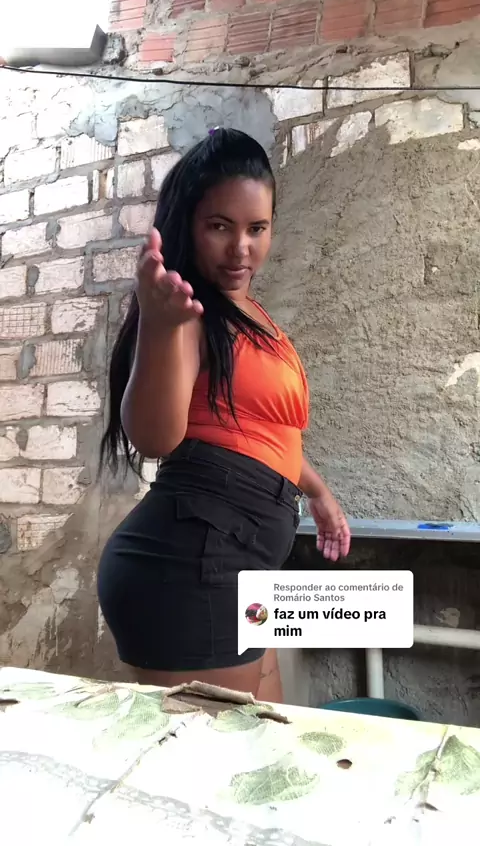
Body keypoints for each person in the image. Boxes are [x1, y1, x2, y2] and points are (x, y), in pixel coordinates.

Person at [97, 128, 351, 702]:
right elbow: (154, 437)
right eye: (220, 226)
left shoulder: (249, 314)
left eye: (256, 228)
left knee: (267, 734)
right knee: (220, 754)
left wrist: (318, 492)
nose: (241, 248)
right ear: (188, 224)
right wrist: (159, 326)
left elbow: (265, 433)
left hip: (242, 561)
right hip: (192, 565)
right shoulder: (187, 312)